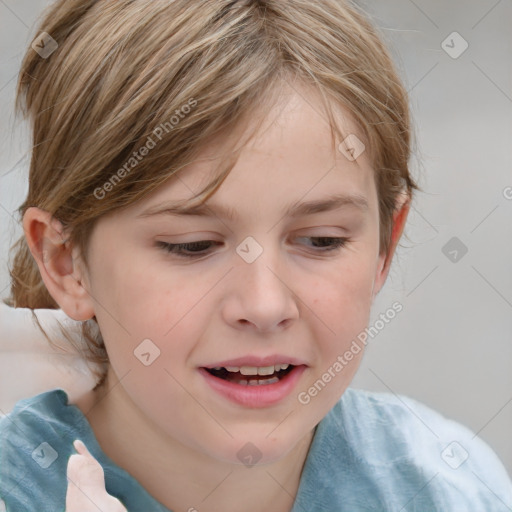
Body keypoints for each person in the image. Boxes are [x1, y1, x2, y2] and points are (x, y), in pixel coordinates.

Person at [1, 0, 511, 511]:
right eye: (192, 245)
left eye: (322, 241)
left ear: (385, 245)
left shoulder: (454, 487)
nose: (265, 305)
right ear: (66, 262)